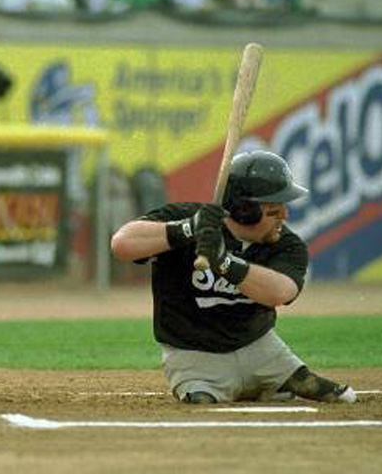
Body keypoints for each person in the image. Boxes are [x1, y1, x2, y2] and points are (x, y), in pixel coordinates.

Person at [111, 150, 357, 404]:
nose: (285, 215)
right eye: (274, 210)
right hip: (194, 357)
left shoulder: (287, 244)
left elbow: (280, 292)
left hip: (262, 351)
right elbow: (121, 244)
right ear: (245, 211)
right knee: (201, 404)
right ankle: (260, 388)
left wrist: (224, 262)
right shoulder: (189, 217)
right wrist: (188, 229)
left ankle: (274, 383)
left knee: (341, 399)